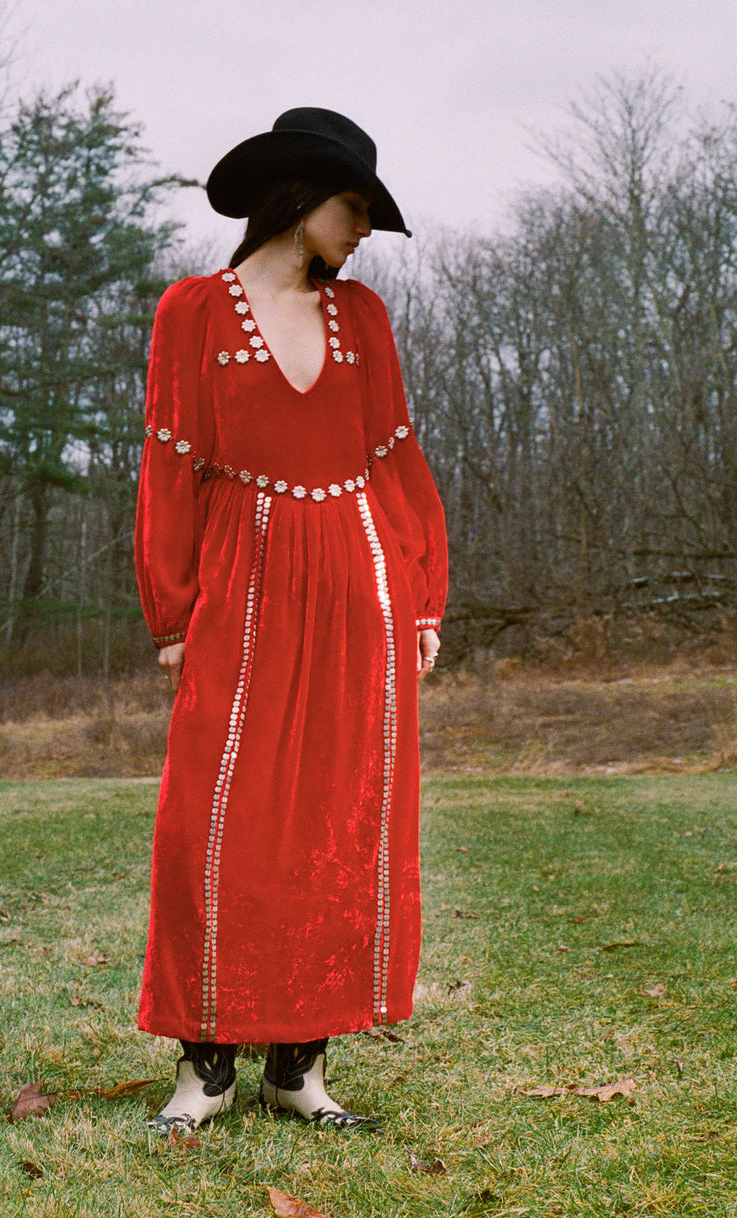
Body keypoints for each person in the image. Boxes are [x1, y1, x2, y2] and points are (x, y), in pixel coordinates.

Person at [134, 107, 447, 1134]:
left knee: (338, 822)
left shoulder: (364, 317)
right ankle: (206, 1065)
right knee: (213, 822)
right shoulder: (191, 312)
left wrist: (422, 593)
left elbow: (393, 461)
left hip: (358, 581)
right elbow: (171, 467)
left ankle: (298, 1068)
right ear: (296, 196)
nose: (361, 228)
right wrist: (172, 612)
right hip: (242, 581)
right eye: (351, 206)